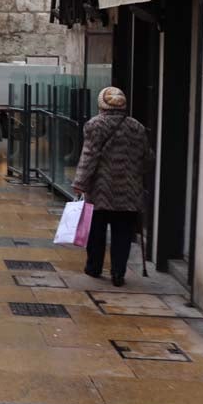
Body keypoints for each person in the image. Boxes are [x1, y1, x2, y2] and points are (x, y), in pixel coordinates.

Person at [72, 86, 152, 287]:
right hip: (128, 191)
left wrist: (80, 183)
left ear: (101, 104)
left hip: (100, 190)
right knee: (122, 234)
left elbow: (89, 156)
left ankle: (94, 267)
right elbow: (147, 158)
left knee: (96, 232)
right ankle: (118, 273)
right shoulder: (137, 127)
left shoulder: (95, 125)